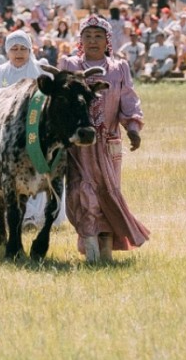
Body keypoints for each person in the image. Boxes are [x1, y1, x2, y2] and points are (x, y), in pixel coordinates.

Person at [58, 14, 149, 263]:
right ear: (81, 40)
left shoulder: (119, 68)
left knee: (107, 194)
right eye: (87, 36)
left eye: (98, 36)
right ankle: (91, 252)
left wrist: (133, 127)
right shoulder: (69, 65)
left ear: (107, 40)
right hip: (78, 145)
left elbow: (128, 99)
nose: (93, 41)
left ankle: (106, 253)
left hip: (108, 143)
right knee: (83, 193)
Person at [0, 30, 63, 229]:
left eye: (23, 49)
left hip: (34, 133)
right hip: (5, 134)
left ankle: (31, 216)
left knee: (36, 171)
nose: (18, 53)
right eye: (14, 49)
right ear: (7, 51)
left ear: (30, 50)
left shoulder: (42, 71)